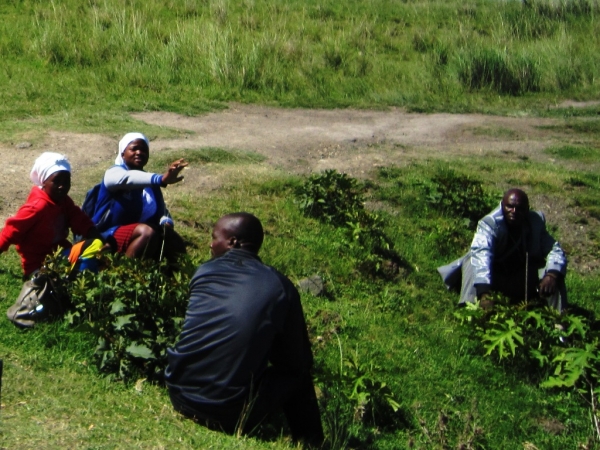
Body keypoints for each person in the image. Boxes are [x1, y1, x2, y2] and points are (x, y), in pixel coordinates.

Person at [165, 212, 324, 445]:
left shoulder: (204, 272)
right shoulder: (280, 286)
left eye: (214, 237)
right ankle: (311, 442)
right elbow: (296, 360)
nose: (210, 244)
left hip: (178, 394)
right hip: (227, 415)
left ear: (232, 242)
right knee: (297, 372)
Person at [438, 188, 568, 311]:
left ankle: (559, 321)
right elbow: (482, 254)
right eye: (510, 207)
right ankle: (470, 308)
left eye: (520, 208)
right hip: (494, 277)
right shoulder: (490, 223)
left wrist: (551, 275)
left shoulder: (535, 222)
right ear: (502, 206)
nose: (514, 211)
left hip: (519, 277)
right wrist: (484, 292)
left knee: (555, 272)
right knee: (472, 260)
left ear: (527, 210)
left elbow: (555, 249)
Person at [0, 152, 103, 276]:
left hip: (59, 255)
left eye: (66, 181)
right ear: (44, 182)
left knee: (96, 244)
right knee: (94, 245)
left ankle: (81, 276)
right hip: (39, 264)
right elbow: (11, 231)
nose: (62, 186)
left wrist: (95, 233)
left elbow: (79, 219)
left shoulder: (63, 201)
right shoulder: (37, 207)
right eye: (57, 181)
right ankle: (80, 281)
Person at [89, 132, 187, 259]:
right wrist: (161, 179)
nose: (139, 152)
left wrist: (166, 223)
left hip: (139, 235)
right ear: (123, 154)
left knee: (174, 240)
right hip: (106, 235)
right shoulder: (113, 173)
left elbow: (162, 211)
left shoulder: (150, 184)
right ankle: (124, 272)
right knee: (146, 232)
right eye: (134, 148)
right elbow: (128, 179)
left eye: (144, 150)